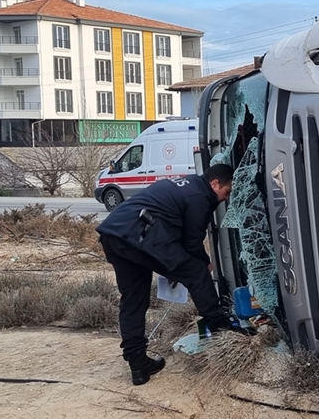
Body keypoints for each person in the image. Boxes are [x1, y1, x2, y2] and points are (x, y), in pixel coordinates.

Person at [97, 163, 240, 385]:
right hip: (139, 235)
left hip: (114, 234)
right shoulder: (199, 196)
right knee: (196, 272)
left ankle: (138, 364)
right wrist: (204, 264)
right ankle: (219, 326)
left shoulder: (187, 184)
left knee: (133, 300)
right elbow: (192, 242)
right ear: (215, 184)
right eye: (226, 192)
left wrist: (173, 266)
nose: (225, 198)